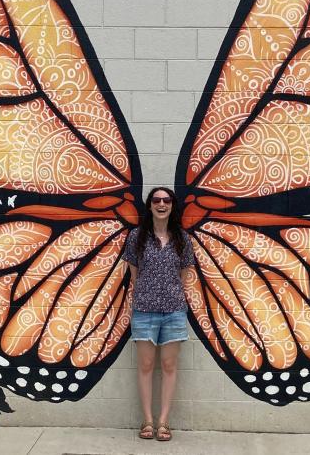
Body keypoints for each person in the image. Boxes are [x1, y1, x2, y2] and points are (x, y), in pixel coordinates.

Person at [123, 186, 195, 443]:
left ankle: (163, 421)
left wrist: (170, 293)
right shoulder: (136, 237)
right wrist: (148, 292)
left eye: (166, 200)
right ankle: (148, 420)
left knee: (168, 365)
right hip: (144, 310)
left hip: (174, 311)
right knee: (145, 366)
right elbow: (134, 274)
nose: (161, 204)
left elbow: (184, 273)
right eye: (157, 200)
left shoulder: (182, 238)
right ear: (150, 205)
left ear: (172, 205)